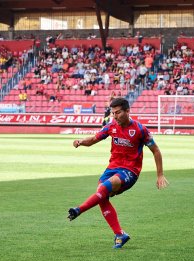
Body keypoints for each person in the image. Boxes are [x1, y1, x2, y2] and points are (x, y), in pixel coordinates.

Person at [68, 97, 169, 249]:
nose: (115, 116)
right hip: (112, 167)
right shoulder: (111, 126)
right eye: (113, 113)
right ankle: (120, 234)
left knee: (104, 189)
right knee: (101, 196)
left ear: (128, 111)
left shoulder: (140, 130)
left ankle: (79, 209)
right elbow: (94, 139)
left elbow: (156, 151)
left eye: (118, 113)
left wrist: (160, 174)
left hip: (130, 171)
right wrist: (81, 141)